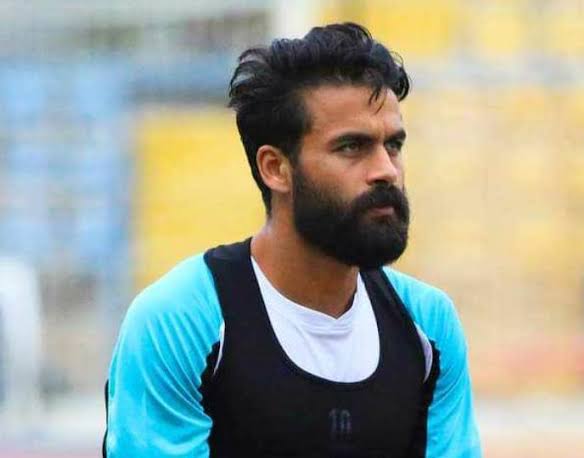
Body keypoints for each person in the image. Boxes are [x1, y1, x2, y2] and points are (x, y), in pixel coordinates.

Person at [103, 22, 481, 458]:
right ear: (275, 168)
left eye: (393, 145)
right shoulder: (179, 321)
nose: (386, 170)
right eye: (352, 147)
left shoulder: (428, 325)